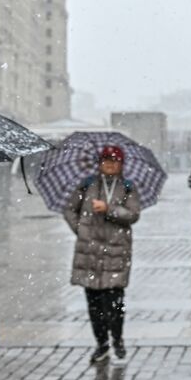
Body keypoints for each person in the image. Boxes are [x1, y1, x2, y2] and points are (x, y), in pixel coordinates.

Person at [65, 145, 142, 365]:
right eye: (106, 160)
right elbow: (70, 209)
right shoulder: (87, 184)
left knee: (115, 302)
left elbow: (133, 215)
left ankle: (117, 339)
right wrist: (81, 229)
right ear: (100, 163)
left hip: (116, 252)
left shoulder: (127, 187)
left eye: (115, 161)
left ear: (121, 164)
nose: (110, 164)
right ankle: (101, 344)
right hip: (89, 253)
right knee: (94, 304)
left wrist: (109, 209)